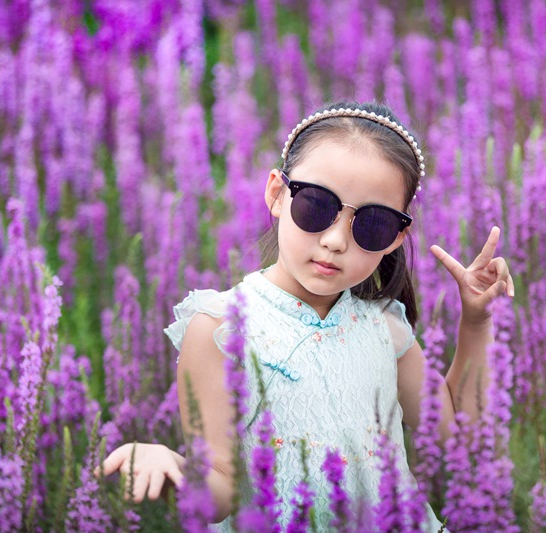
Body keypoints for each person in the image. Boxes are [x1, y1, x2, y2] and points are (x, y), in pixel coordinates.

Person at [99, 101, 514, 531]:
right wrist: (174, 467)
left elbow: (457, 435)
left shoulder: (384, 328)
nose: (335, 240)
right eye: (316, 206)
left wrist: (475, 323)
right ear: (277, 194)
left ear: (396, 238)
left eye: (372, 225)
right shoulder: (220, 328)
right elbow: (220, 488)